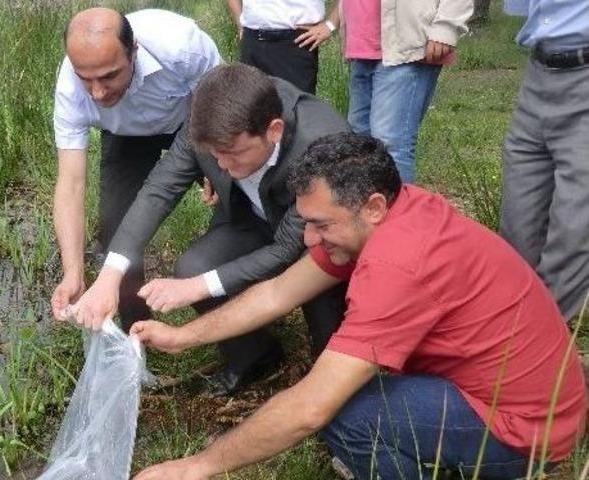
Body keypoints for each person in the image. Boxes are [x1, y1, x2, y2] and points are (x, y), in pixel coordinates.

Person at [131, 132, 586, 480]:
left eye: (320, 224)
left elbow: (311, 407)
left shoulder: (399, 263)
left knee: (346, 414)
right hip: (525, 397)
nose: (309, 239)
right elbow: (279, 292)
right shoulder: (394, 209)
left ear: (371, 206)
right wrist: (181, 336)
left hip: (525, 433)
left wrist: (198, 467)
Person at [73, 64, 350, 396]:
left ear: (274, 131)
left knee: (323, 324)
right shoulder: (204, 123)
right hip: (252, 222)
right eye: (214, 155)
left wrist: (197, 288)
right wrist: (110, 274)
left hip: (318, 244)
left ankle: (333, 385)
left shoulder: (321, 144)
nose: (221, 167)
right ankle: (256, 358)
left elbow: (289, 248)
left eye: (233, 154)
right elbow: (158, 191)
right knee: (195, 265)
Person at [50, 8, 221, 330]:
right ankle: (136, 327)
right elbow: (70, 185)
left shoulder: (182, 46)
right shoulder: (69, 90)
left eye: (109, 75)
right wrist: (72, 272)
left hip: (192, 123)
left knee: (235, 195)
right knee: (116, 228)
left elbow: (222, 103)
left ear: (134, 52)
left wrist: (213, 161)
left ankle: (242, 298)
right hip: (125, 134)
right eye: (85, 79)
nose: (97, 92)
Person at [297, 0, 473, 183]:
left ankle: (397, 210)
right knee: (359, 144)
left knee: (390, 145)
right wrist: (332, 23)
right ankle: (368, 208)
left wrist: (446, 27)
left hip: (407, 46)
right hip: (362, 49)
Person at [500, 0, 589, 322]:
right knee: (518, 226)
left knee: (574, 231)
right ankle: (516, 335)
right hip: (540, 69)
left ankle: (543, 349)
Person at [226, 0, 328, 94]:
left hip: (296, 44)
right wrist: (241, 23)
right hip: (252, 40)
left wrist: (330, 25)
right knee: (248, 108)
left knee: (294, 109)